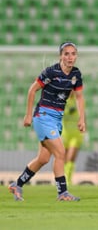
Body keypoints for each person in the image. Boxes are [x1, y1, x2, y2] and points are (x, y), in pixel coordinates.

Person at [8, 42, 85, 201]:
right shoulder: (51, 72)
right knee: (60, 152)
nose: (70, 57)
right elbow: (32, 89)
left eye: (73, 54)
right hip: (43, 116)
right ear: (60, 56)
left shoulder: (76, 74)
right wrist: (28, 115)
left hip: (56, 119)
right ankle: (62, 193)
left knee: (43, 159)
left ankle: (17, 184)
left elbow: (79, 97)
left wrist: (81, 119)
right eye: (66, 54)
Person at [62, 91, 85, 186]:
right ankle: (62, 179)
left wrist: (84, 129)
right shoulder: (62, 101)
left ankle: (68, 179)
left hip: (76, 134)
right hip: (64, 133)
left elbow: (83, 115)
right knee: (63, 158)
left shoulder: (79, 101)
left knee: (71, 157)